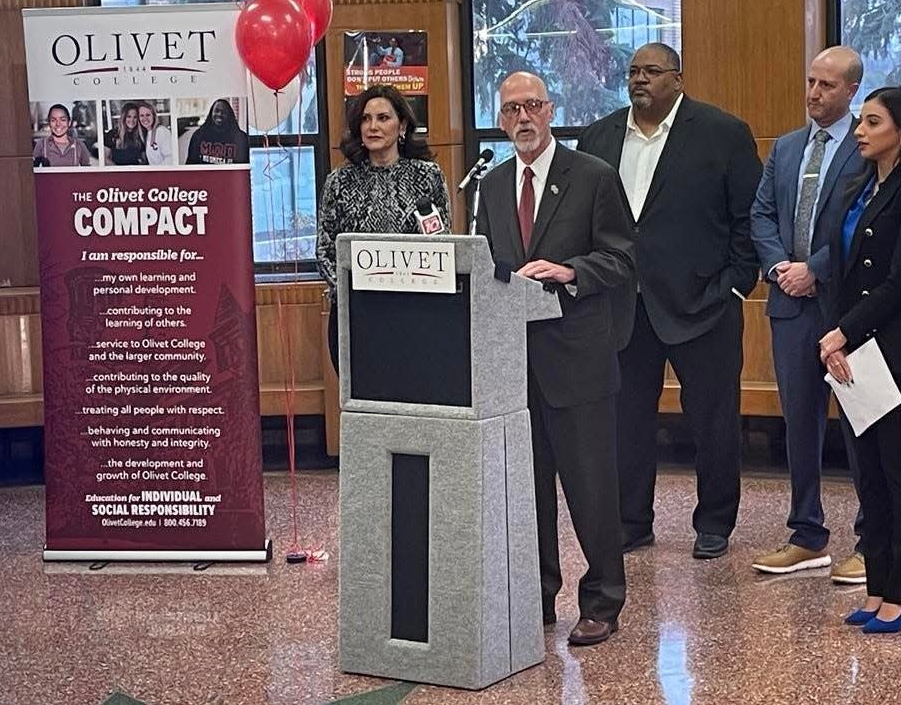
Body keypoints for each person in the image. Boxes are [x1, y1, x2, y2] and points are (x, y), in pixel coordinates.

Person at [577, 42, 761, 560]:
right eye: (634, 71)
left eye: (652, 71)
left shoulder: (722, 133)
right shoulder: (599, 135)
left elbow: (747, 217)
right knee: (625, 420)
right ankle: (631, 521)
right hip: (622, 304)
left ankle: (714, 522)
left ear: (677, 79)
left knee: (713, 417)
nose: (640, 80)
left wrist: (734, 284)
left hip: (703, 301)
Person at [476, 71, 634, 646]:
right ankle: (537, 596)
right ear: (500, 118)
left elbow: (622, 259)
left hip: (579, 359)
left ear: (551, 111)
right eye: (512, 108)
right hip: (513, 365)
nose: (523, 117)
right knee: (527, 489)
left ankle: (602, 601)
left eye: (533, 105)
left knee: (591, 487)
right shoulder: (490, 186)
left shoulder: (592, 177)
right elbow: (487, 262)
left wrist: (570, 272)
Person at [818, 85, 901, 634]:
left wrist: (842, 331)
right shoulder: (858, 187)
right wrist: (840, 337)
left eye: (872, 122)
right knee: (867, 473)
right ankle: (877, 586)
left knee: (899, 470)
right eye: (861, 122)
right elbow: (846, 269)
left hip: (899, 349)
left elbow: (899, 283)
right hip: (853, 350)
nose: (860, 132)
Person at [749, 46, 868, 582]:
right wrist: (779, 268)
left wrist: (815, 268)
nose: (814, 93)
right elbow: (762, 212)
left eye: (826, 85)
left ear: (850, 92)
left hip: (846, 307)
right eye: (811, 82)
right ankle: (807, 534)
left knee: (861, 422)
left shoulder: (866, 150)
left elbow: (865, 221)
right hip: (789, 304)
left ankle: (873, 537)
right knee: (800, 421)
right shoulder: (788, 147)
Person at [316, 84, 451, 371]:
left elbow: (443, 244)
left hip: (416, 317)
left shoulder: (427, 176)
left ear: (402, 125)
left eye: (382, 118)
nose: (372, 126)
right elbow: (325, 250)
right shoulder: (339, 182)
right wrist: (356, 295)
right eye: (366, 119)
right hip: (356, 316)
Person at [186, 98, 249, 165]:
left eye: (224, 112)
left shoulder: (241, 138)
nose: (219, 114)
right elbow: (190, 165)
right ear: (211, 113)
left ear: (229, 115)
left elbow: (244, 167)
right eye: (216, 111)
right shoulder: (198, 136)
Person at [32, 103, 91, 167]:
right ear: (49, 123)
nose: (58, 124)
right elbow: (33, 171)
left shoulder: (79, 145)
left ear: (69, 122)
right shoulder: (41, 144)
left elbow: (88, 172)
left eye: (63, 120)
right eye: (53, 120)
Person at [137, 101, 173, 166]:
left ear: (153, 116)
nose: (145, 118)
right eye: (141, 115)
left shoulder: (162, 131)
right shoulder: (146, 134)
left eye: (148, 115)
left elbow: (170, 158)